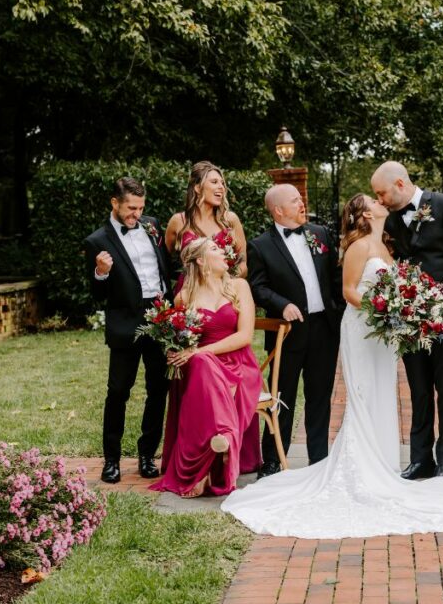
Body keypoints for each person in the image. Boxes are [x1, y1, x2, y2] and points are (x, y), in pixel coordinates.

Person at [221, 194, 443, 537]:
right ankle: (357, 468)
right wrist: (384, 311)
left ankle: (383, 466)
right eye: (374, 200)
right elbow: (348, 291)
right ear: (364, 213)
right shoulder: (359, 246)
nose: (380, 201)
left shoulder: (385, 243)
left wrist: (399, 310)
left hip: (381, 333)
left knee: (381, 393)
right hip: (362, 327)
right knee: (362, 394)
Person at [372, 162, 443, 479]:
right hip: (408, 318)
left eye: (382, 193)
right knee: (418, 389)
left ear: (400, 184)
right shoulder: (390, 220)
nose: (379, 200)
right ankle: (420, 459)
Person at [148, 237, 263, 497]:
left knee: (201, 361)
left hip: (237, 364)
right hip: (202, 371)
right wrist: (174, 349)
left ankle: (205, 467)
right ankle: (214, 449)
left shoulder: (239, 286)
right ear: (200, 261)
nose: (223, 252)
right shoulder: (184, 297)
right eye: (214, 249)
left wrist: (198, 351)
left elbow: (245, 336)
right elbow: (179, 339)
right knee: (201, 366)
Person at [247, 184, 342, 478]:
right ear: (278, 210)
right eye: (295, 201)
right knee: (281, 395)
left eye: (301, 199)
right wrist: (282, 303)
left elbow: (336, 276)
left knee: (319, 396)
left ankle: (319, 460)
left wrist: (338, 312)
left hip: (323, 330)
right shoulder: (260, 246)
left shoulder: (320, 234)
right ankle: (273, 459)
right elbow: (257, 287)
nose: (302, 204)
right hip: (286, 332)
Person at [83, 177, 171, 484]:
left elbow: (165, 267)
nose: (137, 214)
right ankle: (112, 460)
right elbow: (96, 293)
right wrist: (101, 272)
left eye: (141, 208)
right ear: (115, 203)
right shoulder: (97, 241)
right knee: (118, 392)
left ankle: (147, 455)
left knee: (159, 389)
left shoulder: (152, 226)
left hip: (160, 318)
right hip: (125, 324)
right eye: (131, 208)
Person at [165, 161, 248, 286]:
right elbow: (162, 262)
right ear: (198, 188)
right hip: (190, 294)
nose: (222, 187)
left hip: (224, 292)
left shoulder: (230, 220)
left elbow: (243, 264)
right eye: (214, 182)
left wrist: (225, 282)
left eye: (222, 183)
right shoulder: (179, 221)